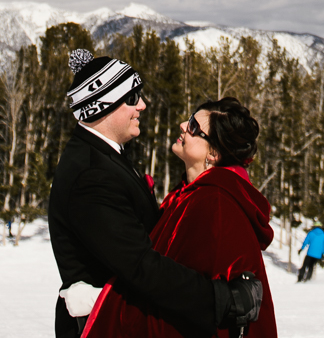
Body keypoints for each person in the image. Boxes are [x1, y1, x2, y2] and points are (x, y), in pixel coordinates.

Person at [48, 49, 260, 338]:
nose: (143, 105)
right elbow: (141, 266)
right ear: (103, 106)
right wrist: (220, 299)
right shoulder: (91, 175)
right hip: (101, 328)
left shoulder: (104, 156)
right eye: (132, 98)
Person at [83, 96, 277, 338]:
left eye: (194, 127)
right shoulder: (188, 195)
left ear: (213, 153)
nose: (183, 126)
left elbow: (192, 295)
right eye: (189, 119)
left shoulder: (216, 203)